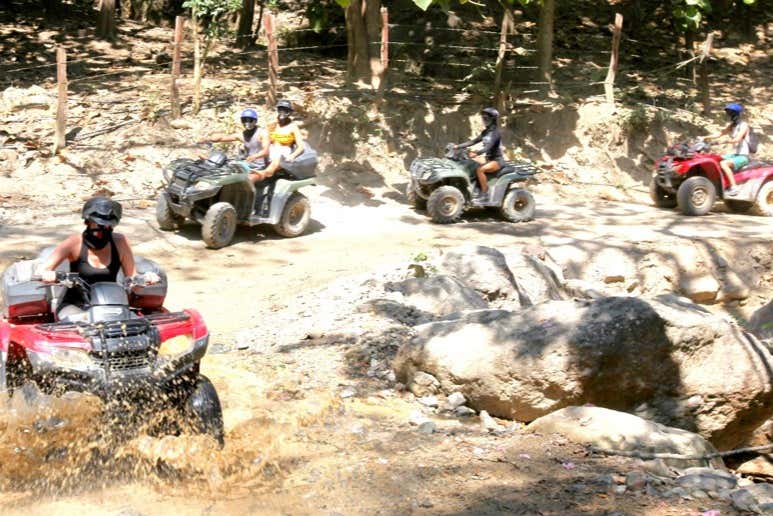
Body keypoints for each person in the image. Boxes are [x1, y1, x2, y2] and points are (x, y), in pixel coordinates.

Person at [41, 197, 159, 321]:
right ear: (87, 222)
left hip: (110, 304)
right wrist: (48, 275)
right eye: (98, 225)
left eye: (108, 227)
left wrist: (145, 279)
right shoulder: (74, 243)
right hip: (75, 305)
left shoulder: (120, 242)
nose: (102, 231)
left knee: (136, 328)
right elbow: (42, 271)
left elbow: (133, 281)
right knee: (80, 328)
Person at [200, 108, 269, 180]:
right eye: (244, 120)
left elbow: (266, 151)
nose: (247, 123)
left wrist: (255, 156)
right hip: (246, 163)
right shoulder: (243, 135)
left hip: (259, 165)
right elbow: (223, 137)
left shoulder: (262, 133)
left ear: (255, 121)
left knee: (234, 173)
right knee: (223, 164)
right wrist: (207, 139)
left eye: (250, 120)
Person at [454, 107, 505, 201]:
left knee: (480, 170)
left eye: (486, 118)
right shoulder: (485, 132)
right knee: (470, 165)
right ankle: (475, 189)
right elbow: (473, 142)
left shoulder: (496, 133)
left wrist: (476, 153)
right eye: (483, 118)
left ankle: (485, 194)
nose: (484, 120)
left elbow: (488, 147)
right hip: (488, 159)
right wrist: (458, 146)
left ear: (492, 119)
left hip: (497, 161)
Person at [250, 100, 305, 182]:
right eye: (281, 109)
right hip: (271, 149)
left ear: (289, 113)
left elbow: (301, 147)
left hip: (284, 151)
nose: (282, 112)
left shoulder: (293, 127)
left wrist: (292, 156)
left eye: (286, 110)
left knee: (278, 159)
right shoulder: (273, 124)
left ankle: (265, 173)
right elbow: (261, 137)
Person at [704, 102, 751, 196]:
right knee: (715, 159)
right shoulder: (732, 125)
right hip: (734, 155)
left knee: (724, 163)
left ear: (736, 114)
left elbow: (737, 139)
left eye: (730, 113)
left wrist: (721, 142)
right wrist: (705, 137)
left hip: (743, 156)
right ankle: (720, 184)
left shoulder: (744, 125)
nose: (729, 115)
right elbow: (720, 133)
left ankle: (734, 187)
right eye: (728, 113)